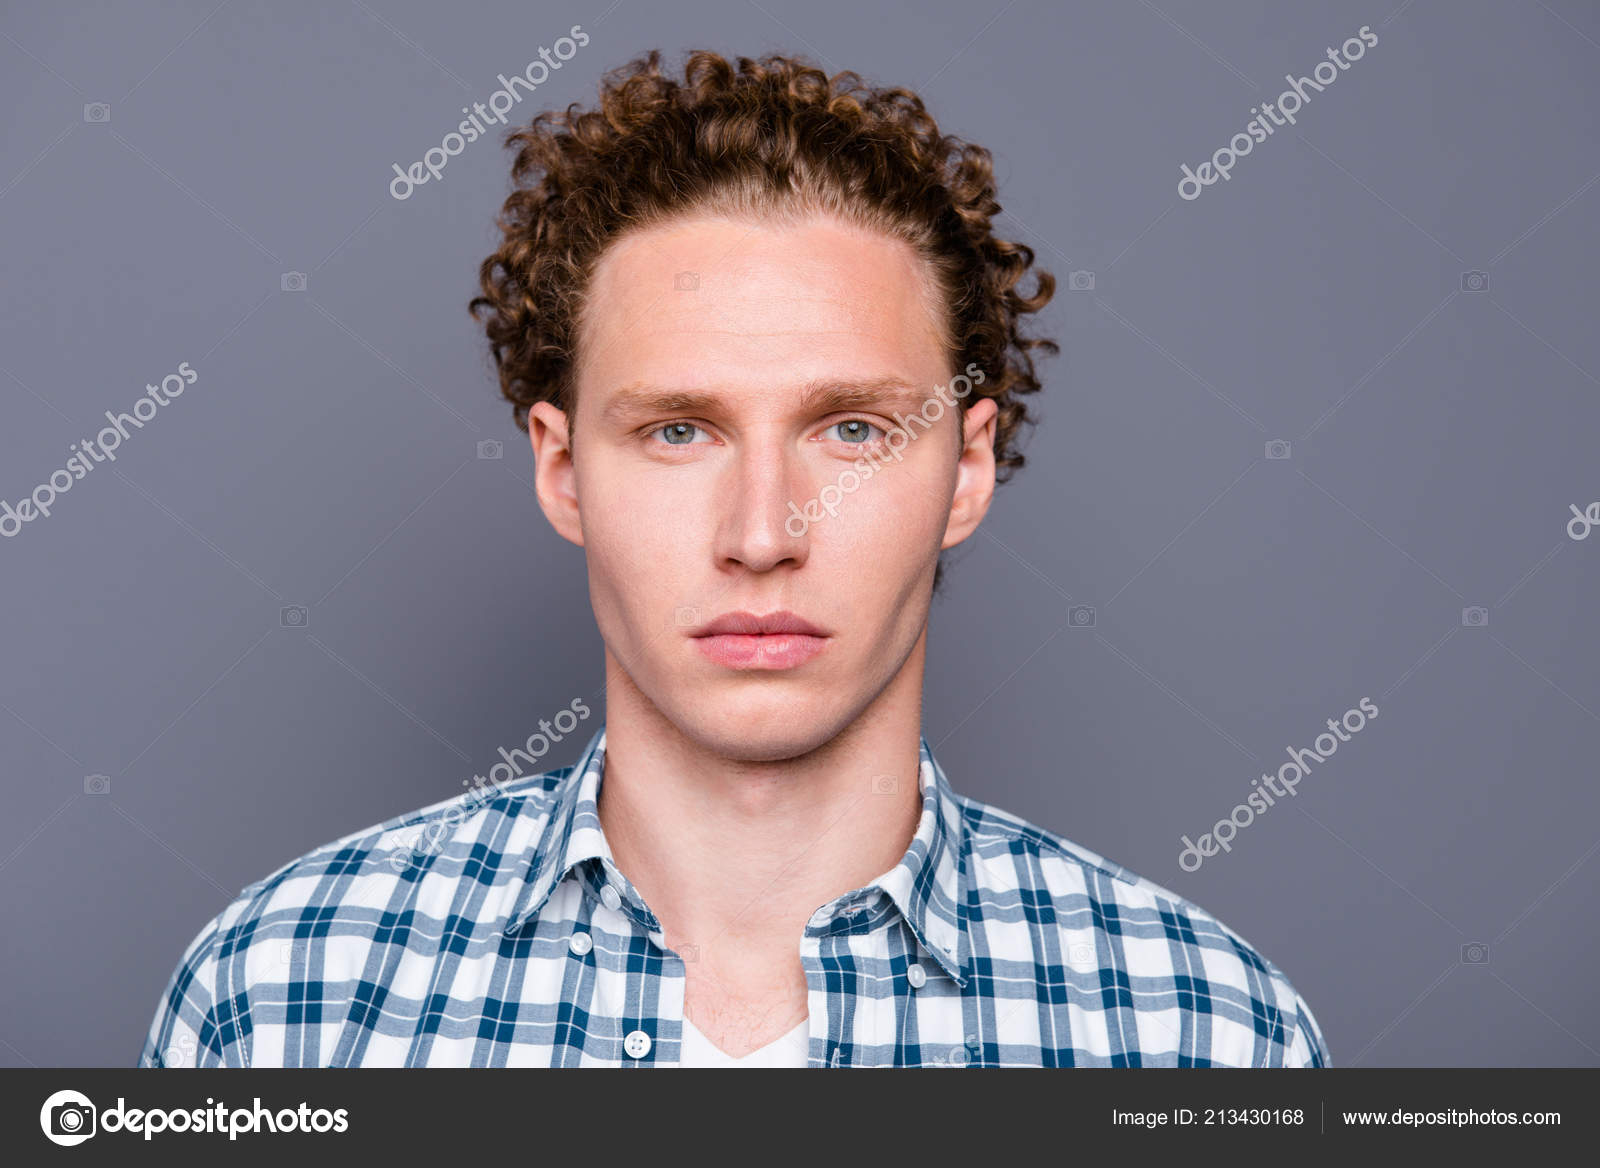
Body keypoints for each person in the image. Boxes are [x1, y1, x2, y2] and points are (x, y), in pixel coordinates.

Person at [140, 48, 1327, 1068]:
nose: (763, 535)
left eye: (852, 429)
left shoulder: (1206, 1034)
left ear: (965, 469)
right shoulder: (284, 1000)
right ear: (562, 470)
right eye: (678, 431)